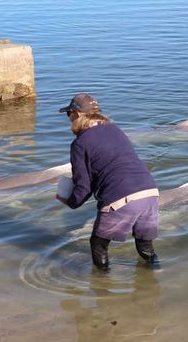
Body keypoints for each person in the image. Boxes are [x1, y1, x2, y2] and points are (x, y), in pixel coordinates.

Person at [56, 93, 160, 270]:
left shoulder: (80, 143)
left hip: (121, 198)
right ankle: (156, 273)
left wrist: (70, 201)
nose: (68, 118)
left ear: (76, 114)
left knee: (98, 244)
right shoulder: (116, 130)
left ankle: (102, 285)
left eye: (69, 113)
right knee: (145, 246)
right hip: (150, 193)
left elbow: (83, 186)